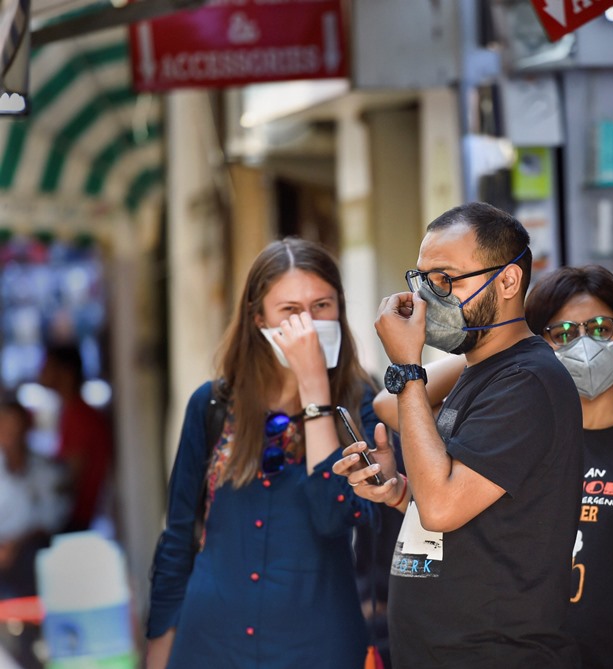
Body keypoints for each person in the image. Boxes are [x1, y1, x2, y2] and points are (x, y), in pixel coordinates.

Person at [372, 265, 613, 669]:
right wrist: (501, 353)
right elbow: (388, 404)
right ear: (540, 344)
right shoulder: (519, 432)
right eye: (562, 334)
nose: (584, 344)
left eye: (599, 327)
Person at [333, 202, 584, 668]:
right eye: (424, 281)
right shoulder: (479, 369)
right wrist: (400, 491)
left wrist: (408, 367)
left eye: (447, 279)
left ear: (508, 281)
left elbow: (443, 507)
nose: (430, 298)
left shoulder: (527, 380)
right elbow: (389, 410)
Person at [146, 238, 377, 669]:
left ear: (340, 310)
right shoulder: (213, 406)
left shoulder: (362, 405)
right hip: (210, 643)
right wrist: (160, 640)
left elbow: (333, 517)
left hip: (317, 645)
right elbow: (178, 537)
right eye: (289, 311)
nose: (307, 324)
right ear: (258, 319)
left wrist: (314, 391)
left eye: (322, 305)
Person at [38, 343, 114, 533]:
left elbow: (71, 479)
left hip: (75, 522)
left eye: (47, 366)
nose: (41, 373)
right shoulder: (71, 412)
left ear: (66, 372)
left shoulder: (80, 416)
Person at [0, 398, 68, 598]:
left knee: (34, 558)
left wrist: (16, 544)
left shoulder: (45, 470)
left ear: (27, 429)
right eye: (4, 426)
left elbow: (50, 520)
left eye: (15, 426)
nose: (10, 434)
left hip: (29, 553)